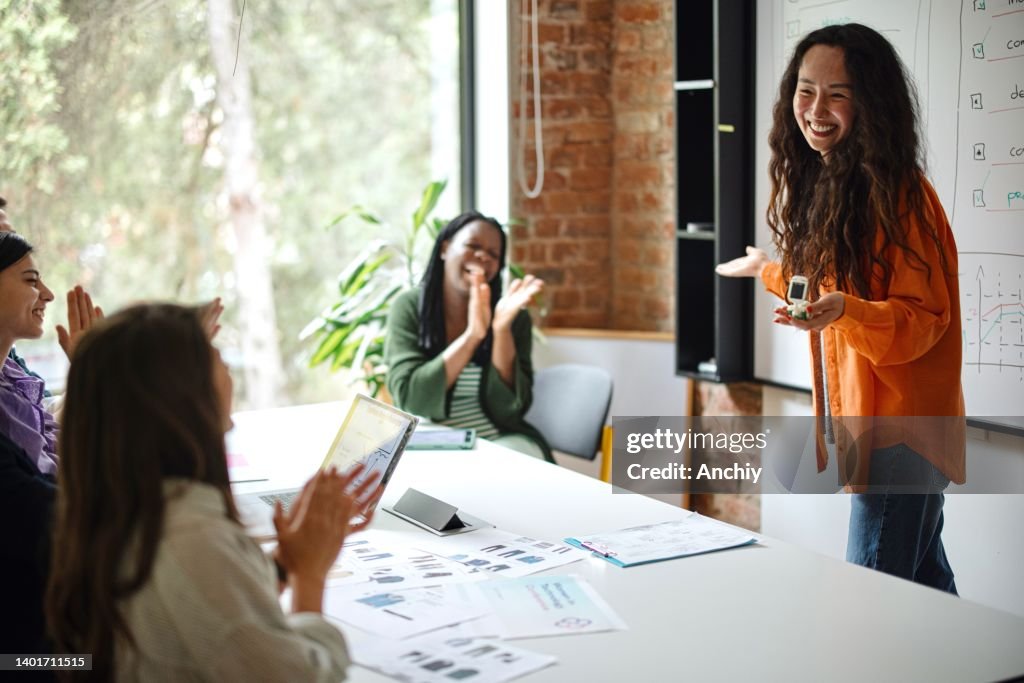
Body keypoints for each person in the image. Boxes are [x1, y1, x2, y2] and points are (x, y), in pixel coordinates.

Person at [716, 24, 964, 594]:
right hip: (883, 429)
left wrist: (845, 310)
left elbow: (923, 319)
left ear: (870, 102)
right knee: (928, 593)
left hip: (900, 430)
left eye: (838, 94)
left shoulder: (898, 194)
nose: (816, 109)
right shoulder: (842, 184)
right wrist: (768, 270)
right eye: (806, 91)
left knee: (872, 600)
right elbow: (830, 292)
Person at [46, 303, 379, 681]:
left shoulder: (121, 505)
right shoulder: (190, 536)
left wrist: (286, 561)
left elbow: (194, 611)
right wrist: (309, 575)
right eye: (215, 355)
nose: (228, 368)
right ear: (180, 393)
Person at [384, 211, 550, 461]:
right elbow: (412, 400)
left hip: (500, 443)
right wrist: (472, 336)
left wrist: (501, 330)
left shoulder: (513, 317)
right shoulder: (408, 308)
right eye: (473, 246)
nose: (483, 256)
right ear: (444, 249)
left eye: (494, 255)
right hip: (435, 444)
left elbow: (511, 412)